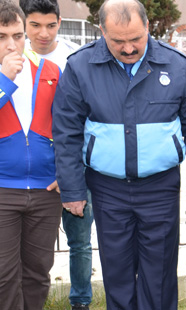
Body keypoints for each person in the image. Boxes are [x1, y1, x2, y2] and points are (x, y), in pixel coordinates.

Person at [51, 0, 186, 309]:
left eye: (135, 39)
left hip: (159, 187)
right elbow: (66, 133)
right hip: (107, 189)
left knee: (160, 272)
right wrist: (72, 189)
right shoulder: (80, 68)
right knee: (117, 271)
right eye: (118, 41)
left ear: (148, 28)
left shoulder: (176, 65)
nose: (128, 48)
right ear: (101, 32)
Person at [19, 1, 93, 309]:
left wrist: (69, 173)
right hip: (30, 177)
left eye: (51, 25)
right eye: (35, 25)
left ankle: (81, 302)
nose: (43, 34)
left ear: (60, 22)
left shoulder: (74, 59)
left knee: (79, 243)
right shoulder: (13, 56)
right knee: (29, 250)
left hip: (72, 172)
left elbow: (87, 119)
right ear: (24, 23)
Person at [0, 2, 62, 309]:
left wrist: (66, 171)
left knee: (38, 273)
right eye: (1, 36)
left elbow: (68, 127)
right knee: (4, 276)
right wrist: (3, 81)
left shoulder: (50, 71)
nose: (12, 44)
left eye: (18, 35)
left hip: (45, 190)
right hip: (2, 189)